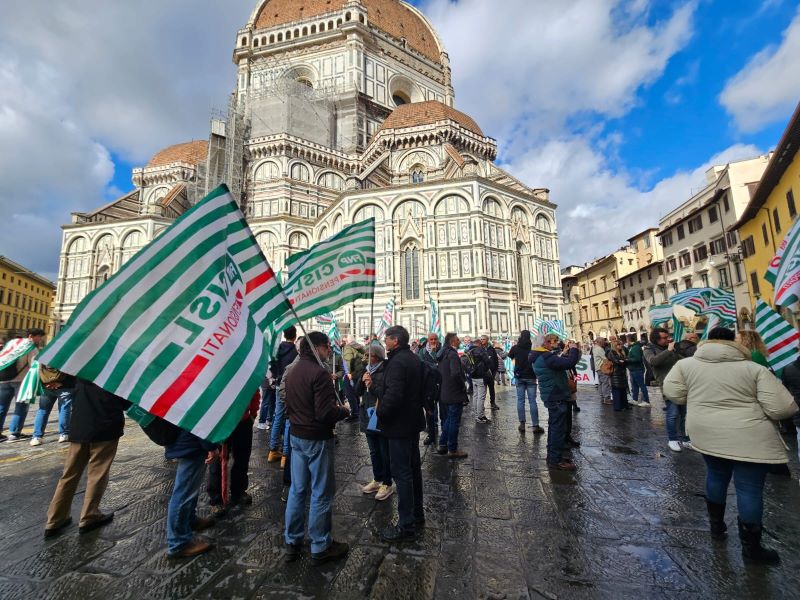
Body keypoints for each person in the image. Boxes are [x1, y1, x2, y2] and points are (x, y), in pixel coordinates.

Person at [664, 327, 797, 564]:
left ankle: (716, 527)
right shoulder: (753, 368)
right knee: (749, 489)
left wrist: (697, 398)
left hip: (705, 430)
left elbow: (673, 393)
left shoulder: (686, 365)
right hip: (749, 434)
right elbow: (782, 408)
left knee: (715, 475)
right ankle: (752, 549)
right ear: (735, 344)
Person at [284, 332, 351, 563]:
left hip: (296, 436)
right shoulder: (320, 373)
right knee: (321, 492)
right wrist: (345, 411)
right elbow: (325, 414)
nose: (329, 352)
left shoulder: (292, 372)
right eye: (326, 347)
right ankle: (320, 545)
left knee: (297, 490)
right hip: (316, 438)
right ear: (318, 348)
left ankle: (292, 540)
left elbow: (286, 405)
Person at [44, 378, 130, 537]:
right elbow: (125, 402)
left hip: (79, 426)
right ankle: (89, 515)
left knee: (69, 474)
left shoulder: (83, 371)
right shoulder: (115, 373)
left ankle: (55, 519)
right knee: (97, 473)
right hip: (105, 426)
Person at [376, 325, 426, 542]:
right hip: (412, 422)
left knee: (402, 473)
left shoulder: (397, 362)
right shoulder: (412, 358)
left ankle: (406, 524)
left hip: (398, 426)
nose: (384, 342)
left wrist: (380, 413)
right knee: (413, 469)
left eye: (386, 338)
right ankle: (417, 513)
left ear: (395, 340)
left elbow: (393, 395)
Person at [530, 335, 581, 471]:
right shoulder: (545, 357)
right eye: (548, 342)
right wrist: (574, 349)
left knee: (554, 426)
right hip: (556, 393)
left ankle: (553, 456)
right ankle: (555, 459)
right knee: (557, 428)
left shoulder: (538, 356)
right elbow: (569, 363)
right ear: (543, 344)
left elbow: (558, 362)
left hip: (551, 393)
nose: (550, 344)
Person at [165, 430, 219, 558]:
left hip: (186, 441)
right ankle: (178, 543)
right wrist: (210, 446)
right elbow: (200, 424)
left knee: (189, 489)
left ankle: (189, 520)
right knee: (183, 493)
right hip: (191, 443)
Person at [207, 391, 259, 517]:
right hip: (220, 422)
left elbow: (254, 389)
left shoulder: (246, 371)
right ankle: (216, 499)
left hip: (243, 421)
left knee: (242, 457)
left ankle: (239, 491)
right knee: (217, 461)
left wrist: (253, 413)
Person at [355, 342, 393, 501]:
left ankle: (387, 483)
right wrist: (362, 381)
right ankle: (377, 479)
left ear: (375, 357)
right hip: (366, 415)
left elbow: (386, 394)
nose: (364, 358)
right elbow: (357, 391)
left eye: (367, 355)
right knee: (373, 451)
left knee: (384, 451)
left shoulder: (386, 371)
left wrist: (373, 385)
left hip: (379, 416)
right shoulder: (366, 370)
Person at [644, 328, 686, 452]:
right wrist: (668, 351)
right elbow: (653, 361)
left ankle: (685, 439)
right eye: (664, 337)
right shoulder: (649, 349)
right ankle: (672, 439)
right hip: (667, 384)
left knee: (684, 413)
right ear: (656, 339)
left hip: (681, 383)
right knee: (672, 413)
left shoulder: (671, 348)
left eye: (668, 336)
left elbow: (681, 360)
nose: (668, 339)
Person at [0, 329, 45, 442]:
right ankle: (14, 433)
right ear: (31, 336)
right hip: (20, 381)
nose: (40, 339)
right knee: (21, 406)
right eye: (39, 337)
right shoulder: (30, 347)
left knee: (2, 406)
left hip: (3, 380)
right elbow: (34, 365)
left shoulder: (12, 343)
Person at [267, 326, 299, 462]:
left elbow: (272, 366)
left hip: (279, 385)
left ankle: (273, 450)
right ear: (295, 335)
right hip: (291, 387)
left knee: (278, 416)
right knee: (288, 419)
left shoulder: (277, 349)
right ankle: (285, 455)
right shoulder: (296, 351)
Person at [437, 332, 468, 459]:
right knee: (454, 420)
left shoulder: (442, 354)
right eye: (457, 339)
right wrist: (462, 385)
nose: (459, 340)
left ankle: (443, 444)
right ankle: (452, 449)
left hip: (445, 391)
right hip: (454, 392)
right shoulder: (453, 355)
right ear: (452, 341)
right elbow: (456, 374)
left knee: (449, 419)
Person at [30, 365, 75, 446]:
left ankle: (36, 436)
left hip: (46, 387)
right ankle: (64, 434)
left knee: (43, 410)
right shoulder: (65, 355)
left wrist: (45, 383)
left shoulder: (43, 355)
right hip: (65, 386)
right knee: (64, 409)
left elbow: (35, 370)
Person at [508, 330, 543, 435]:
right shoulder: (533, 348)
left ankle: (522, 424)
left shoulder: (515, 347)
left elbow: (510, 356)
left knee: (520, 400)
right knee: (532, 401)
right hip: (531, 376)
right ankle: (535, 425)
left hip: (519, 376)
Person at [418, 333, 442, 445]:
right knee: (430, 411)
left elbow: (440, 364)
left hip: (441, 383)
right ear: (428, 340)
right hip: (429, 385)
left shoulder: (441, 349)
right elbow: (421, 365)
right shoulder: (422, 351)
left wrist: (433, 355)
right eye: (431, 339)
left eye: (435, 339)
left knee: (443, 409)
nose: (433, 341)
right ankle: (431, 433)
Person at [466, 338, 493, 424]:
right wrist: (486, 368)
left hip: (473, 376)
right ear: (479, 344)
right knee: (481, 397)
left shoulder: (468, 351)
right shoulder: (480, 350)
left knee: (476, 396)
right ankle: (480, 416)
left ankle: (477, 414)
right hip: (481, 376)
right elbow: (488, 361)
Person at [342, 335, 367, 422]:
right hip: (359, 372)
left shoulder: (348, 347)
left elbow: (348, 360)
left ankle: (354, 413)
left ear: (348, 341)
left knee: (350, 394)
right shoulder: (359, 346)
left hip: (352, 374)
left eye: (344, 341)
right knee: (356, 393)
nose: (343, 342)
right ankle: (357, 412)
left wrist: (348, 373)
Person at [625, 334, 650, 408]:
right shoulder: (633, 347)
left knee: (642, 385)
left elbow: (637, 358)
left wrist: (628, 360)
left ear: (629, 340)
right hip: (633, 369)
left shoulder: (635, 347)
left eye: (627, 339)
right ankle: (635, 399)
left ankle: (647, 401)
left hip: (637, 369)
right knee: (634, 386)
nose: (626, 341)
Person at [606, 338, 630, 411]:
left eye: (620, 344)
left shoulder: (621, 352)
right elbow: (617, 361)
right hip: (616, 374)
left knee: (623, 390)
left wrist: (623, 361)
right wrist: (622, 361)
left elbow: (626, 360)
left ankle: (624, 405)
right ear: (615, 346)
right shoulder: (612, 352)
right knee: (617, 390)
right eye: (618, 345)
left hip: (622, 373)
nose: (620, 346)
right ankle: (618, 407)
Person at [481, 335, 500, 411]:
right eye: (481, 339)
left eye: (483, 339)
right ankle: (481, 405)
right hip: (483, 373)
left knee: (491, 389)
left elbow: (496, 360)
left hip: (491, 372)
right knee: (483, 390)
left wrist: (495, 370)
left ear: (487, 340)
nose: (482, 340)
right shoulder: (480, 349)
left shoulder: (491, 349)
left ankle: (493, 403)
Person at [592, 338, 611, 404]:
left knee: (601, 383)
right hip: (602, 367)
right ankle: (606, 398)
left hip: (598, 368)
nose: (604, 343)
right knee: (605, 383)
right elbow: (605, 358)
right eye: (603, 342)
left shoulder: (594, 348)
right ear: (600, 342)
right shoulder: (599, 349)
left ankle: (602, 397)